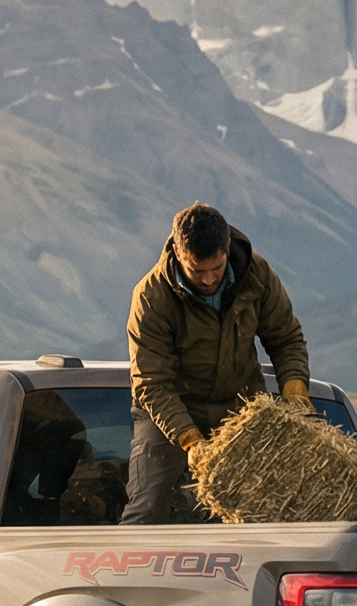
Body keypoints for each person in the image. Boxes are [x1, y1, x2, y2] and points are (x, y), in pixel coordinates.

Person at [124, 202, 311, 525]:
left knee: (267, 507)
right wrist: (190, 439)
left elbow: (286, 339)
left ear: (227, 249)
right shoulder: (151, 297)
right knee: (147, 508)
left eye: (217, 268)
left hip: (241, 406)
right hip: (170, 411)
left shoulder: (257, 276)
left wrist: (295, 389)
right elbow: (152, 384)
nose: (209, 279)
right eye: (197, 271)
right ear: (178, 253)